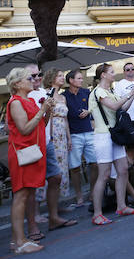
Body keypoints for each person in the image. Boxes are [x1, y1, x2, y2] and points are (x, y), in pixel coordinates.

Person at [88, 63, 134, 225]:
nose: (114, 74)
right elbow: (114, 106)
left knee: (123, 170)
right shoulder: (98, 91)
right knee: (104, 174)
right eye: (111, 72)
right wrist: (129, 94)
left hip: (114, 136)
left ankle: (121, 205)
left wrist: (133, 94)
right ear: (103, 75)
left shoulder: (110, 91)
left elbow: (122, 108)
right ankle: (97, 213)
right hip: (103, 136)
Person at [25, 64, 76, 234]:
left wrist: (52, 135)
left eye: (39, 74)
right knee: (35, 183)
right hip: (33, 143)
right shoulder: (23, 96)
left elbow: (48, 119)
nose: (37, 78)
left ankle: (53, 216)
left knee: (56, 176)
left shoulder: (43, 94)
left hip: (48, 141)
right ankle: (33, 223)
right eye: (32, 76)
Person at [6, 67, 49, 255]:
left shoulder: (29, 100)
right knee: (21, 195)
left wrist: (48, 113)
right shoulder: (15, 102)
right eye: (29, 78)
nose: (33, 80)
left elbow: (40, 125)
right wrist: (43, 111)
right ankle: (20, 241)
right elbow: (24, 129)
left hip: (33, 151)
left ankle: (19, 240)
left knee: (27, 194)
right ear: (17, 84)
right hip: (23, 153)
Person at [62, 69, 97, 207]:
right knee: (75, 167)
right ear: (71, 80)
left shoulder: (86, 93)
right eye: (79, 78)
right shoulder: (64, 96)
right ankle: (79, 195)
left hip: (88, 132)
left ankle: (93, 191)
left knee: (94, 163)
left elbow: (95, 107)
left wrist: (89, 111)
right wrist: (68, 137)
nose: (82, 80)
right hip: (74, 134)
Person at [42, 69, 72, 203]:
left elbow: (65, 119)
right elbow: (49, 117)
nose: (62, 78)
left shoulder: (62, 97)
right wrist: (50, 136)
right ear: (52, 78)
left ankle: (59, 201)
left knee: (63, 166)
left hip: (62, 135)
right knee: (54, 167)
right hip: (52, 133)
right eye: (59, 76)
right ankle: (50, 201)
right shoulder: (47, 95)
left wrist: (69, 137)